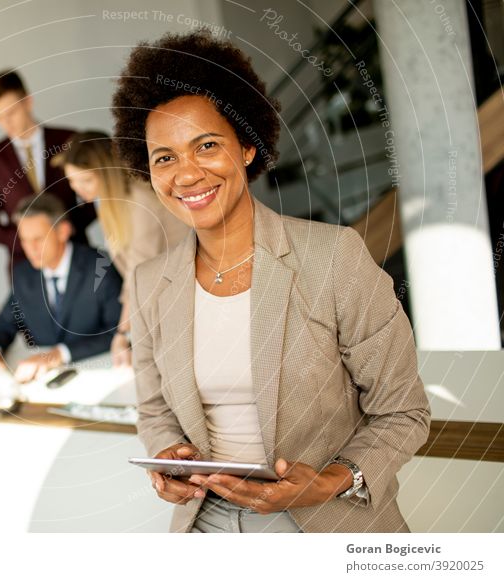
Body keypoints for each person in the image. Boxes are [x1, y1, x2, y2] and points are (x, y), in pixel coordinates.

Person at [112, 30, 430, 533]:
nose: (186, 174)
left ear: (246, 147)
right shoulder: (151, 282)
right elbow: (154, 410)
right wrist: (166, 457)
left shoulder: (332, 257)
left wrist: (332, 479)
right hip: (205, 522)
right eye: (165, 157)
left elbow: (404, 411)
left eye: (207, 146)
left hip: (321, 521)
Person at [56, 131, 188, 366]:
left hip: (183, 299)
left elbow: (140, 277)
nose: (78, 190)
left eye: (86, 181)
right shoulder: (108, 201)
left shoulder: (138, 203)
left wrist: (123, 334)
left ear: (107, 174)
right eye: (72, 182)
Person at [0, 193, 122, 383]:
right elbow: (3, 326)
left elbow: (118, 331)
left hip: (101, 374)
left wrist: (57, 355)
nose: (30, 248)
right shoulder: (23, 275)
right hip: (43, 382)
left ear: (63, 231)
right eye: (24, 240)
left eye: (38, 238)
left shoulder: (100, 266)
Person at [0, 69, 96, 269]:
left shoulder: (67, 139)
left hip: (76, 254)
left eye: (11, 113)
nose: (7, 123)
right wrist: (29, 240)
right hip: (25, 265)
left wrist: (63, 230)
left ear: (28, 102)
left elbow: (96, 194)